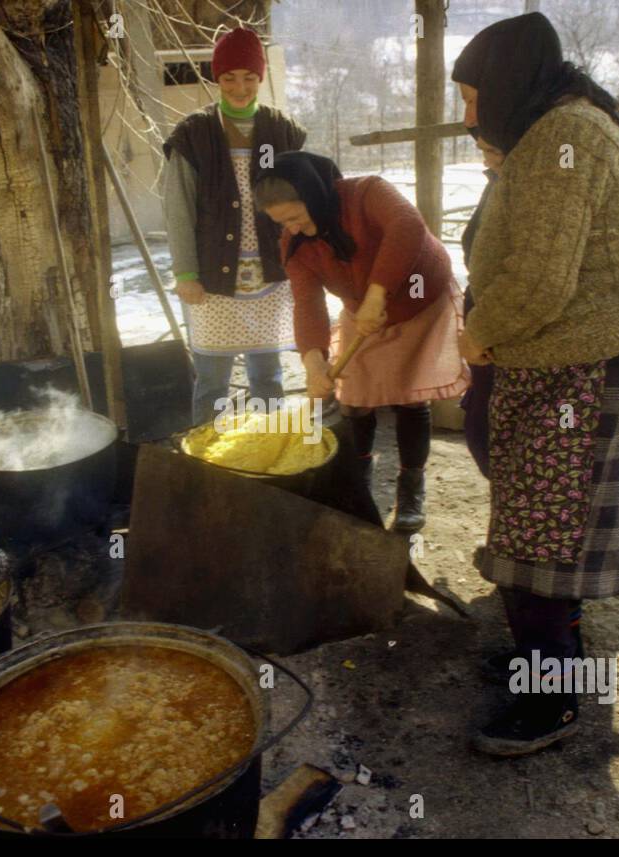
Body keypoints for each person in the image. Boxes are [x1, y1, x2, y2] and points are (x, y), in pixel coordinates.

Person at [453, 12, 619, 756]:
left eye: (470, 96)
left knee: (543, 539)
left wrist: (481, 334)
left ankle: (550, 703)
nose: (466, 115)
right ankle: (543, 663)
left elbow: (541, 279)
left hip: (596, 369)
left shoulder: (564, 137)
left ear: (507, 84)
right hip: (574, 362)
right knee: (545, 534)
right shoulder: (553, 131)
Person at [253, 152, 469, 532]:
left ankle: (411, 489)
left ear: (313, 193)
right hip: (363, 309)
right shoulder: (296, 245)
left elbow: (408, 226)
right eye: (281, 222)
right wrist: (313, 360)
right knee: (354, 398)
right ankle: (359, 481)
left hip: (419, 299)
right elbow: (307, 302)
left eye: (295, 216)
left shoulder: (366, 193)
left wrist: (377, 294)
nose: (292, 228)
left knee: (409, 394)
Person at [162, 27, 306, 424]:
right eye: (229, 77)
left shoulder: (283, 131)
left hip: (270, 274)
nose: (240, 87)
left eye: (249, 77)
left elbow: (302, 201)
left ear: (260, 78)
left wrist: (304, 262)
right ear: (217, 78)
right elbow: (177, 209)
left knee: (268, 377)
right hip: (211, 278)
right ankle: (210, 466)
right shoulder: (193, 135)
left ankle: (268, 454)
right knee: (211, 382)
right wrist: (185, 272)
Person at [459, 139, 503, 479]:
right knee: (481, 430)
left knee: (497, 438)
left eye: (492, 151)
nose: (486, 159)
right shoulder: (496, 184)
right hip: (486, 328)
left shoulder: (538, 187)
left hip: (505, 331)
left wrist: (485, 329)